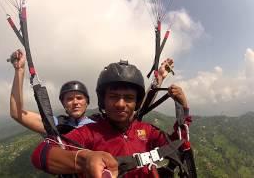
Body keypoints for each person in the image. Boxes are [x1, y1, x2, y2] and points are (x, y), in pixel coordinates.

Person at [31, 60, 191, 177]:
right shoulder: (90, 133)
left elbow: (178, 145)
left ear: (136, 103)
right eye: (113, 97)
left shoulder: (146, 131)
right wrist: (85, 159)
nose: (121, 104)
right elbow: (42, 153)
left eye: (128, 98)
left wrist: (184, 110)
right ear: (103, 101)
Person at [9, 49, 95, 134]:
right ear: (64, 104)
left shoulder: (98, 126)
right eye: (69, 99)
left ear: (87, 102)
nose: (75, 102)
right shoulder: (54, 124)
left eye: (79, 98)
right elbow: (17, 113)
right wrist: (19, 70)